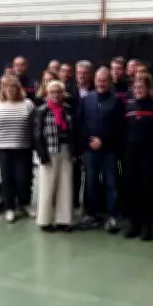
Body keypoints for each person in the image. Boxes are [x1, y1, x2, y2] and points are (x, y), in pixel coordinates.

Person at [77, 67, 125, 233]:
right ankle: (92, 215)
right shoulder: (86, 99)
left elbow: (119, 126)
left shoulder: (117, 101)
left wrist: (103, 140)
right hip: (90, 149)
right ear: (95, 80)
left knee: (111, 183)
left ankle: (112, 216)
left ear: (110, 82)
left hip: (109, 149)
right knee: (91, 182)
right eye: (99, 80)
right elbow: (80, 123)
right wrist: (90, 140)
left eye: (104, 80)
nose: (101, 83)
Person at [123, 73, 153, 241]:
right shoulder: (128, 106)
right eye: (135, 87)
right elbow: (123, 129)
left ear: (149, 88)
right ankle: (133, 223)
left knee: (148, 189)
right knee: (132, 188)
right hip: (131, 153)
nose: (138, 90)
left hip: (150, 153)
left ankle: (147, 225)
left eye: (141, 87)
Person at [0, 75, 35, 223]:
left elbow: (33, 125)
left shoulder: (28, 104)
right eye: (7, 86)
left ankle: (24, 203)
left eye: (13, 86)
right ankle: (9, 208)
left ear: (18, 88)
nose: (10, 89)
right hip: (3, 149)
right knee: (7, 179)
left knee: (23, 178)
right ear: (2, 88)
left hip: (23, 148)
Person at [33, 80, 76, 232]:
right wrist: (42, 155)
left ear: (62, 93)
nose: (55, 95)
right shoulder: (41, 110)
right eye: (52, 92)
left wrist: (74, 151)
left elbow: (73, 132)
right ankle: (45, 221)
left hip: (65, 151)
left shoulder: (68, 109)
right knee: (47, 187)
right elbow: (37, 134)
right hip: (49, 151)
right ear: (47, 94)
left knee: (65, 186)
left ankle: (63, 220)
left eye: (58, 92)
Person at [70, 60, 95, 210]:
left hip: (90, 137)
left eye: (85, 73)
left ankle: (89, 205)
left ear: (90, 74)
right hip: (73, 137)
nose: (82, 75)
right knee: (73, 173)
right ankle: (73, 202)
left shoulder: (96, 89)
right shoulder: (68, 90)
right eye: (79, 72)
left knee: (91, 175)